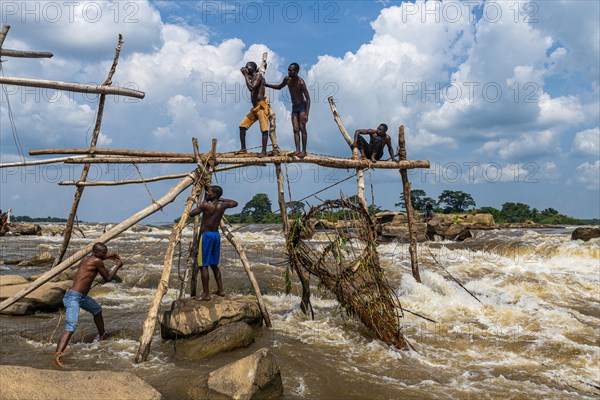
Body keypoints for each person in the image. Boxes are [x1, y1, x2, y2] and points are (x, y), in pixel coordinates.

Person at [53, 242, 124, 367]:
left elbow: (98, 259)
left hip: (80, 297)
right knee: (71, 327)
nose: (105, 254)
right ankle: (57, 357)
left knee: (97, 310)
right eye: (103, 253)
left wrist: (108, 256)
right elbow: (108, 278)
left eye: (106, 252)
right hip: (74, 298)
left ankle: (103, 336)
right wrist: (118, 266)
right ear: (96, 253)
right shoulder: (98, 261)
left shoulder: (87, 258)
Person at [189, 185, 238, 301]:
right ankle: (220, 290)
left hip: (206, 236)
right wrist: (220, 199)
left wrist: (205, 201)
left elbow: (191, 214)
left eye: (209, 192)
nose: (207, 193)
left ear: (214, 195)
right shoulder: (223, 205)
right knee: (214, 264)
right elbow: (235, 203)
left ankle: (206, 295)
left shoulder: (206, 205)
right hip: (216, 235)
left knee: (203, 265)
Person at [265, 62, 311, 158]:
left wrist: (307, 113)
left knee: (302, 128)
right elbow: (279, 87)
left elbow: (308, 98)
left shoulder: (301, 82)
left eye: (291, 70)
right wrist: (267, 85)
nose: (289, 71)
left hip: (302, 107)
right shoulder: (287, 79)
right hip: (294, 107)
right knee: (295, 129)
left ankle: (304, 151)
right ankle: (297, 150)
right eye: (288, 69)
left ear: (296, 71)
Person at [237, 61, 271, 158]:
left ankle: (264, 151)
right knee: (242, 126)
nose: (246, 69)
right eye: (246, 67)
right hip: (255, 108)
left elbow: (251, 88)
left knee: (264, 129)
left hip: (261, 106)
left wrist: (245, 75)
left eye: (248, 67)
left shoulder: (258, 76)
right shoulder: (252, 77)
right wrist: (245, 74)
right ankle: (243, 149)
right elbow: (251, 82)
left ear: (253, 68)